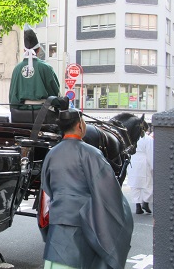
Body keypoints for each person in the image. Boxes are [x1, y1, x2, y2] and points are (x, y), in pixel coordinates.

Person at [40, 108, 133, 269]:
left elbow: (46, 191)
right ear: (80, 126)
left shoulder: (51, 154)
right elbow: (108, 193)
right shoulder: (91, 153)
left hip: (57, 225)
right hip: (82, 227)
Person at [9, 24, 60, 110]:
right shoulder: (46, 68)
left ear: (24, 50)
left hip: (20, 114)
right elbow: (55, 93)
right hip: (43, 113)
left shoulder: (17, 69)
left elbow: (12, 95)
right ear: (39, 49)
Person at [127, 132, 154, 214]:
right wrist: (153, 166)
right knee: (147, 184)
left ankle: (138, 205)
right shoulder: (147, 139)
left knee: (135, 185)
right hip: (144, 162)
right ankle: (145, 202)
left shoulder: (130, 137)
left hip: (133, 161)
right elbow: (150, 152)